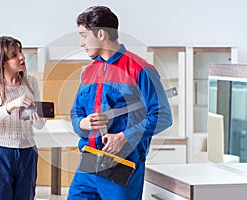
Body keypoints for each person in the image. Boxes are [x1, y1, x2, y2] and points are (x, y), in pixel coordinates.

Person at [68, 6, 173, 200]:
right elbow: (76, 112)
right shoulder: (89, 71)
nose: (81, 43)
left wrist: (125, 137)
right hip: (89, 162)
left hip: (122, 164)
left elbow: (163, 116)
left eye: (83, 35)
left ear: (100, 34)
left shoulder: (140, 69)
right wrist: (82, 123)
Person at [0, 36, 45, 200]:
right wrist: (11, 105)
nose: (21, 57)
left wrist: (36, 115)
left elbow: (39, 125)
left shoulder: (31, 82)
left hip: (28, 152)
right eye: (14, 55)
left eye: (20, 51)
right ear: (2, 62)